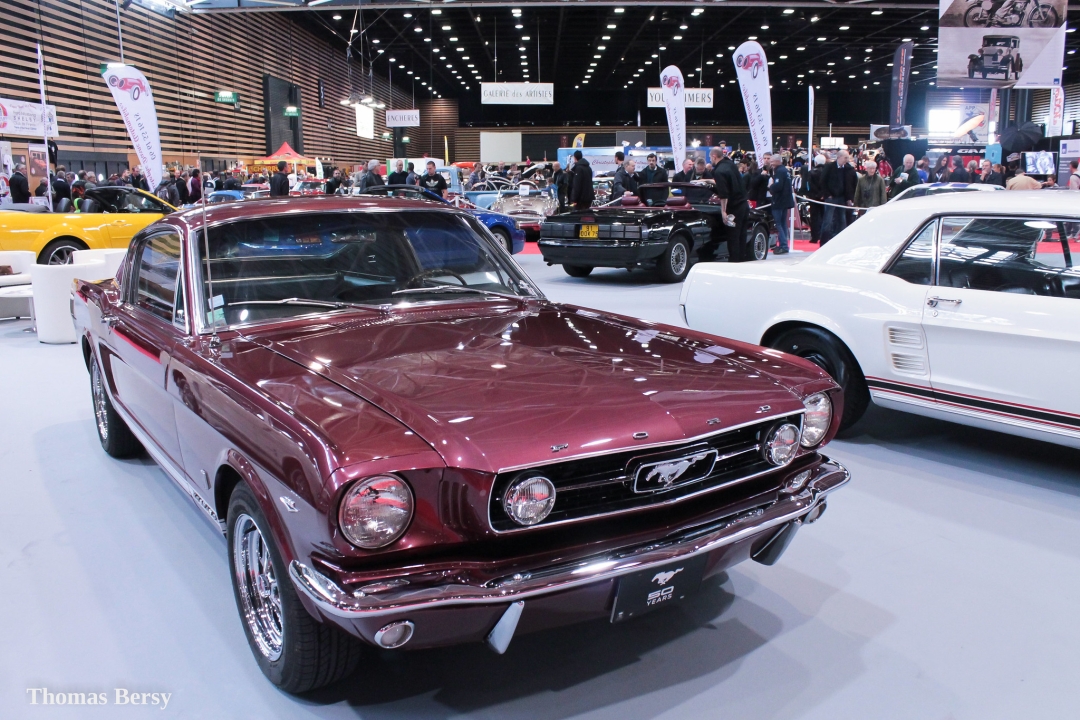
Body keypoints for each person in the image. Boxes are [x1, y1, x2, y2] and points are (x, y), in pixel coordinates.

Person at [710, 146, 750, 262]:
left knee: (733, 237)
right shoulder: (730, 165)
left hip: (733, 208)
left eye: (710, 157)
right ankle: (741, 260)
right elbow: (730, 183)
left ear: (714, 156)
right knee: (742, 235)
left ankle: (734, 261)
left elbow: (724, 194)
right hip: (744, 205)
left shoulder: (719, 171)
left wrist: (723, 211)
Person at [820, 149, 857, 244]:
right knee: (828, 221)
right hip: (831, 198)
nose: (847, 160)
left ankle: (840, 242)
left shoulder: (848, 169)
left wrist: (849, 198)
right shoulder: (829, 167)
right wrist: (827, 194)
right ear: (839, 157)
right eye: (845, 158)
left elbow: (851, 184)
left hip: (842, 198)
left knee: (842, 220)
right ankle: (824, 242)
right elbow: (823, 181)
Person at [768, 155, 794, 254]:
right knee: (783, 223)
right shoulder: (785, 171)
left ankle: (783, 245)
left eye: (772, 161)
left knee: (778, 224)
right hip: (785, 201)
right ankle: (784, 244)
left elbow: (778, 186)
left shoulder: (779, 171)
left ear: (778, 161)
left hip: (779, 201)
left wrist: (771, 187)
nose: (771, 163)